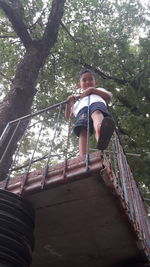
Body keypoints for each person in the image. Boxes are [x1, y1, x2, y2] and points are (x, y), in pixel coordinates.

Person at [65, 69, 115, 157]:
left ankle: (101, 131)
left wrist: (92, 90)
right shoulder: (78, 100)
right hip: (82, 110)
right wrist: (68, 103)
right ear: (79, 85)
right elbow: (68, 116)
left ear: (96, 83)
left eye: (91, 79)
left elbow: (108, 96)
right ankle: (82, 156)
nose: (88, 82)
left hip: (96, 103)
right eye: (84, 80)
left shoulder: (99, 90)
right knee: (83, 130)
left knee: (97, 113)